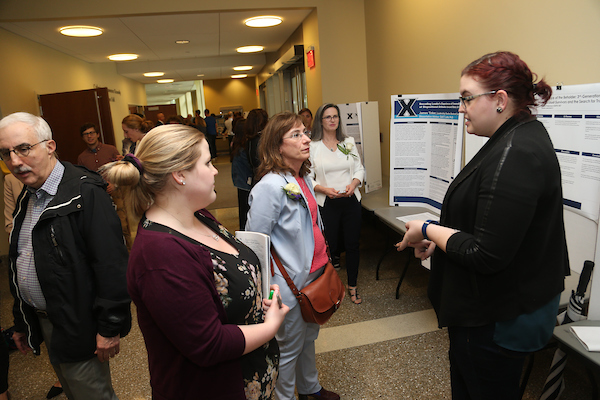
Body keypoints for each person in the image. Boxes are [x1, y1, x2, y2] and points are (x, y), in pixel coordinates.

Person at [396, 51, 569, 400]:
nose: (461, 108)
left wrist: (428, 229)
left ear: (500, 100)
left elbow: (486, 253)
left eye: (466, 98)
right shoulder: (513, 138)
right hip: (493, 308)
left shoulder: (516, 152)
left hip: (496, 320)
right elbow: (490, 223)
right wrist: (444, 241)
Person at [100, 124, 289, 400]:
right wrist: (271, 326)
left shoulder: (198, 215)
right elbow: (208, 344)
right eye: (208, 162)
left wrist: (259, 296)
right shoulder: (160, 253)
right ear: (179, 175)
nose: (215, 171)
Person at [0, 112, 131, 400]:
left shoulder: (85, 191)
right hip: (48, 321)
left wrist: (110, 326)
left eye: (23, 148)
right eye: (6, 153)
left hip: (79, 322)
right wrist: (22, 322)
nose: (15, 161)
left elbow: (111, 265)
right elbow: (20, 259)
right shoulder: (29, 193)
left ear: (50, 146)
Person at [246, 112, 340, 400]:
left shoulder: (304, 176)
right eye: (296, 135)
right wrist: (268, 290)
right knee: (288, 348)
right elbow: (254, 243)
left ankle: (309, 389)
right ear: (277, 146)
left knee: (309, 338)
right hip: (287, 282)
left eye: (304, 132)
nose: (305, 139)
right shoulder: (269, 187)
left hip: (314, 273)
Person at [309, 104, 365, 304]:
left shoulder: (347, 142)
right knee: (328, 247)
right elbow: (308, 177)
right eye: (327, 117)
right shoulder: (313, 146)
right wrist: (323, 189)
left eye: (335, 116)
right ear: (320, 121)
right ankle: (329, 287)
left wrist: (354, 183)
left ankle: (353, 286)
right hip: (327, 203)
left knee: (352, 245)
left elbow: (359, 169)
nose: (332, 120)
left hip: (350, 201)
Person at [231, 109, 268, 229]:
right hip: (255, 181)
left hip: (248, 181)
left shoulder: (249, 140)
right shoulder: (259, 142)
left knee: (247, 213)